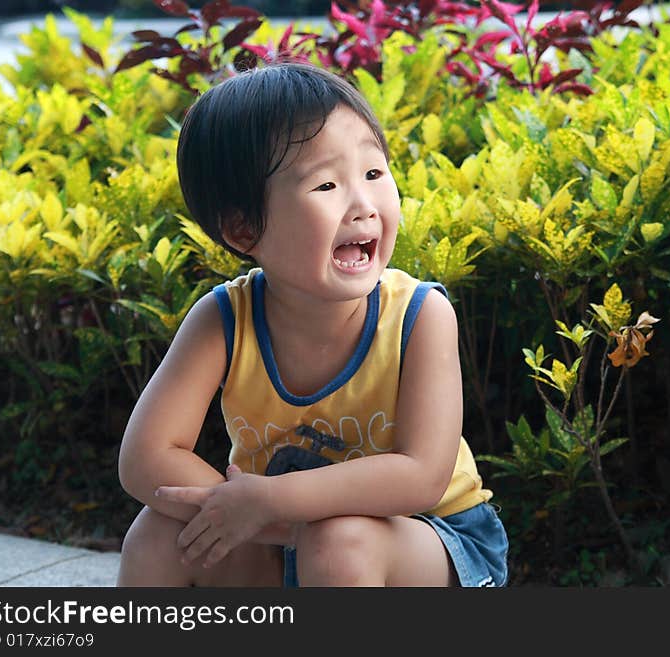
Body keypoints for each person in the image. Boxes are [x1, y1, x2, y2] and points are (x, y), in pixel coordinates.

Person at [116, 61, 508, 587]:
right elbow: (146, 457)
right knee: (159, 535)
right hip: (285, 535)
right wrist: (245, 513)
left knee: (338, 541)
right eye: (326, 185)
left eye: (373, 173)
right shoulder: (224, 319)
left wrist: (273, 501)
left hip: (430, 541)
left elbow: (421, 476)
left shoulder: (419, 315)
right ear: (243, 228)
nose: (364, 205)